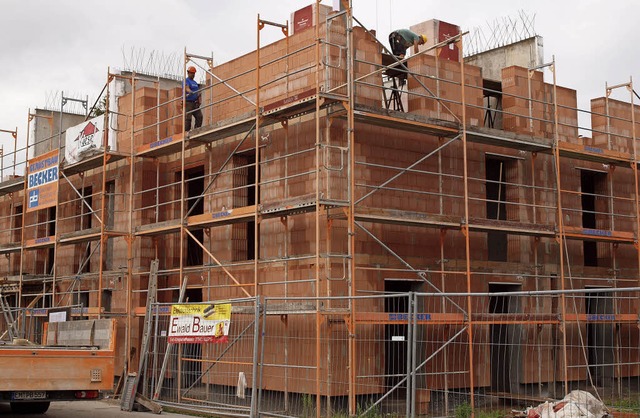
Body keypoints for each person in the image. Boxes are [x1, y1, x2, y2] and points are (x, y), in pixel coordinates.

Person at [184, 65, 203, 132]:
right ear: (188, 73)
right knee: (188, 118)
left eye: (194, 73)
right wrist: (190, 91)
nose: (193, 75)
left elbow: (198, 92)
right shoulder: (186, 81)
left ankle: (197, 129)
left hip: (195, 103)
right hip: (188, 102)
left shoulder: (195, 82)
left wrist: (199, 99)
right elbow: (186, 88)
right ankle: (186, 132)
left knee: (199, 116)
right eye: (192, 73)